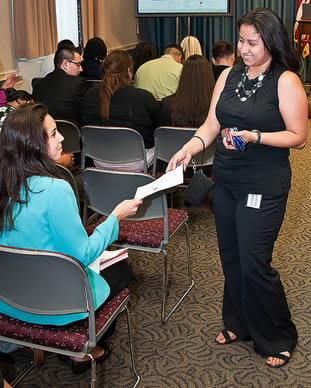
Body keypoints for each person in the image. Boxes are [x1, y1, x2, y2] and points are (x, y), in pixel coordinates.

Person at [167, 8, 307, 368]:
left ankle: (277, 335)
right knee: (231, 259)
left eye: (252, 43)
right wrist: (189, 147)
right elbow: (212, 124)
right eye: (241, 41)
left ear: (271, 42)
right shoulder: (228, 76)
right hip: (227, 182)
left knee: (254, 262)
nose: (243, 49)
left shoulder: (285, 80)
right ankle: (237, 323)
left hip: (264, 184)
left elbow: (299, 137)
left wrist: (255, 136)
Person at [0, 103, 142, 372]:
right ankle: (80, 350)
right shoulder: (55, 189)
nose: (62, 138)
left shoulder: (6, 183)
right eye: (54, 133)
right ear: (33, 144)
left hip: (11, 301)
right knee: (122, 270)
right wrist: (114, 218)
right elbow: (83, 254)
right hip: (57, 303)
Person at [81, 50, 160, 171]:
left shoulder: (89, 96)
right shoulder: (144, 97)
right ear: (129, 71)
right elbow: (157, 128)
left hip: (100, 160)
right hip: (138, 162)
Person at [33, 46, 88, 126]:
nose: (81, 69)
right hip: (71, 135)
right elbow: (84, 114)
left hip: (43, 135)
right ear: (65, 64)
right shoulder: (78, 83)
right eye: (78, 65)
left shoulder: (38, 84)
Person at [158, 54, 215, 128]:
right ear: (209, 77)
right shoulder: (218, 106)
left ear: (183, 77)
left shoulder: (167, 104)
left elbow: (162, 134)